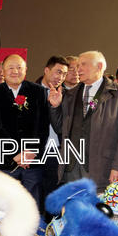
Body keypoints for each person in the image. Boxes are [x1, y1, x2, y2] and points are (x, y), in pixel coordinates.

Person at [48, 50, 118, 189]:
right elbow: (59, 128)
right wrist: (55, 106)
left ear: (99, 66)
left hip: (102, 169)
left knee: (98, 209)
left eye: (83, 65)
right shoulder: (71, 94)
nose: (78, 69)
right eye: (77, 66)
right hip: (71, 169)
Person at [0, 54, 49, 204]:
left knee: (32, 204)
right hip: (6, 160)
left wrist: (31, 152)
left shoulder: (38, 91)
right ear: (3, 71)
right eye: (11, 68)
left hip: (32, 160)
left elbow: (43, 125)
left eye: (19, 67)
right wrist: (14, 153)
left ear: (26, 70)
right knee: (4, 204)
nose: (15, 71)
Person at [38, 56, 69, 204]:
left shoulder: (67, 96)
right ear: (46, 70)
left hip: (55, 151)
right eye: (58, 72)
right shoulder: (29, 91)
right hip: (32, 150)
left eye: (64, 74)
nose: (60, 77)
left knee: (52, 195)